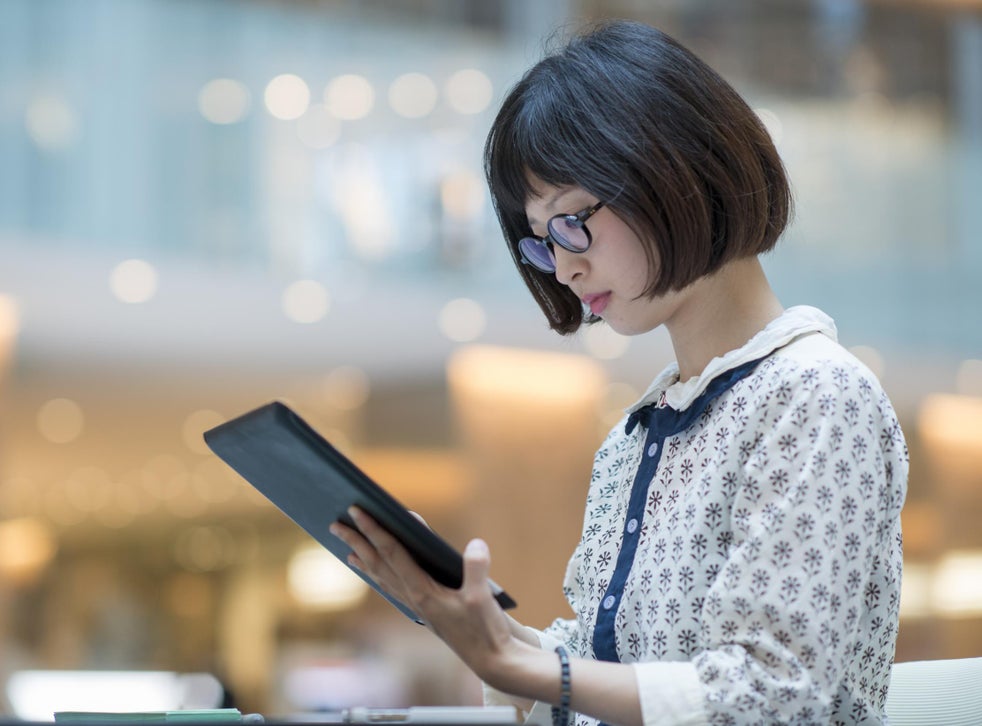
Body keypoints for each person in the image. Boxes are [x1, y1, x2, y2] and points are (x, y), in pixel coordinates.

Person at [330, 19, 908, 726]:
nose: (565, 266)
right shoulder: (637, 434)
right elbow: (599, 678)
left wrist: (516, 664)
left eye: (574, 219)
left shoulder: (818, 396)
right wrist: (473, 626)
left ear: (676, 168)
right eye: (541, 242)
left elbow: (772, 696)